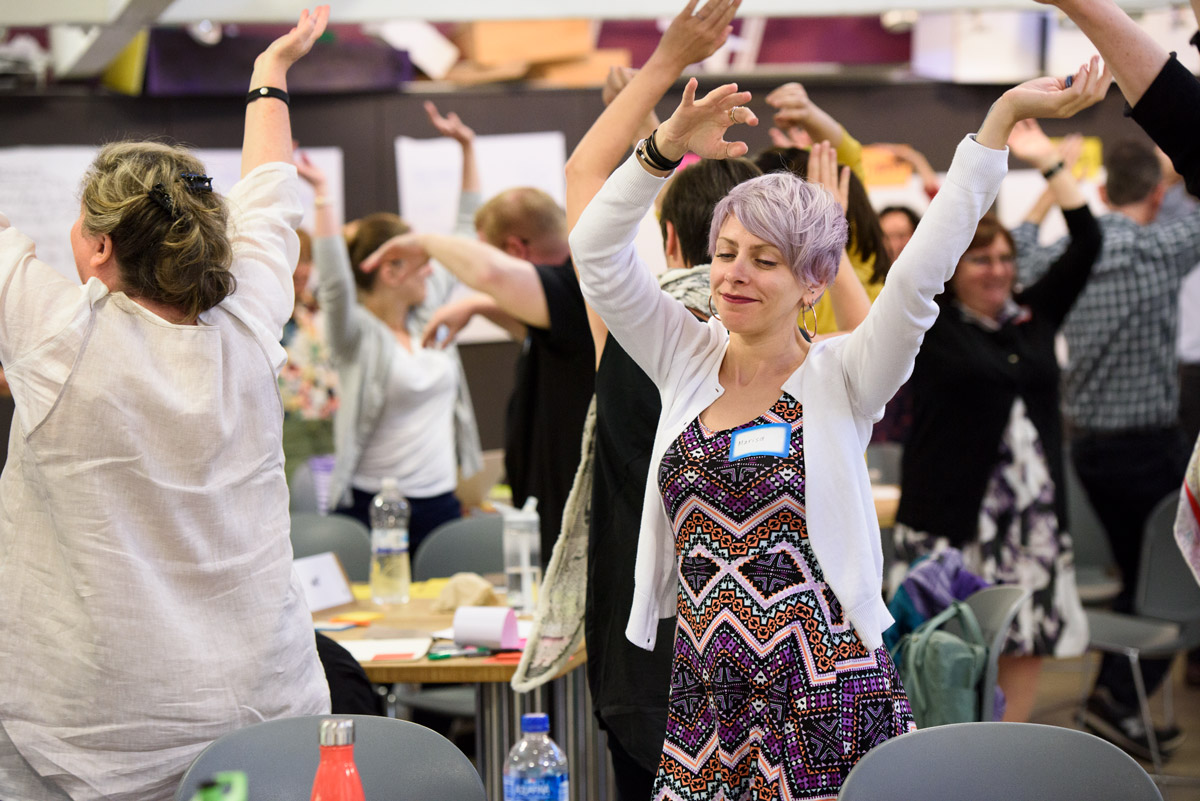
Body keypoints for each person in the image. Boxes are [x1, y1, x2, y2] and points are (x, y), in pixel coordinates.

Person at [569, 48, 1105, 795]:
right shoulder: (683, 355)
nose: (733, 274)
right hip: (705, 694)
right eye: (725, 253)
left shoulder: (843, 373)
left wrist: (999, 122)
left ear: (813, 279)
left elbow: (919, 277)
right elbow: (594, 252)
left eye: (765, 260)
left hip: (824, 690)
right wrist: (662, 149)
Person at [0, 9, 331, 800]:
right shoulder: (250, 319)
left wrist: (272, 75)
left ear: (102, 247)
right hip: (262, 719)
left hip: (85, 738)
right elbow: (269, 192)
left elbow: (265, 196)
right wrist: (270, 73)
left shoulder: (54, 334)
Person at [894, 111, 1107, 723]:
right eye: (981, 260)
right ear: (954, 270)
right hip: (951, 524)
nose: (998, 271)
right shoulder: (929, 328)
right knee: (941, 662)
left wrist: (1048, 161)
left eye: (1006, 258)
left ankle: (1003, 765)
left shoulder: (1032, 318)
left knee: (1025, 644)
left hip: (1030, 525)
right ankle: (948, 770)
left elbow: (1088, 241)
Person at [1011, 132, 1200, 757]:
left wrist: (1046, 192)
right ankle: (1116, 698)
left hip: (1085, 449)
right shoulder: (1161, 248)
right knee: (1169, 581)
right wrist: (1177, 166)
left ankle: (1117, 702)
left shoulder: (1071, 254)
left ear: (1097, 190)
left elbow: (1017, 250)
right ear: (1154, 191)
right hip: (1148, 447)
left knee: (1138, 577)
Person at [365, 143, 594, 568]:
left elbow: (490, 274)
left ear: (516, 250)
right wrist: (478, 306)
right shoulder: (565, 304)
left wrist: (425, 243)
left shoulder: (576, 288)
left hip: (576, 519)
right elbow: (543, 331)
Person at [280, 227, 339, 481]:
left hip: (327, 425)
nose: (301, 270)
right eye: (294, 260)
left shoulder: (317, 311)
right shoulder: (269, 317)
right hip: (287, 429)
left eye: (306, 260)